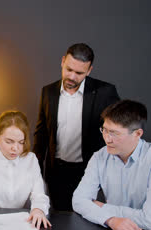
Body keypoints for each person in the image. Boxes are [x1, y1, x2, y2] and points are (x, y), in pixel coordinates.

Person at [33, 43, 120, 211]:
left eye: (79, 73)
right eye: (68, 69)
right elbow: (41, 132)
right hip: (56, 170)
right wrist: (35, 169)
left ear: (89, 70)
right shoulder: (48, 92)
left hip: (89, 171)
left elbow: (118, 130)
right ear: (63, 61)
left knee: (86, 221)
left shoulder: (105, 92)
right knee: (58, 219)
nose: (72, 76)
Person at [72, 100, 151, 230]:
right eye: (105, 130)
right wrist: (111, 220)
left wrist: (101, 207)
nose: (107, 139)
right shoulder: (99, 157)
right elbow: (78, 201)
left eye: (114, 133)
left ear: (137, 134)